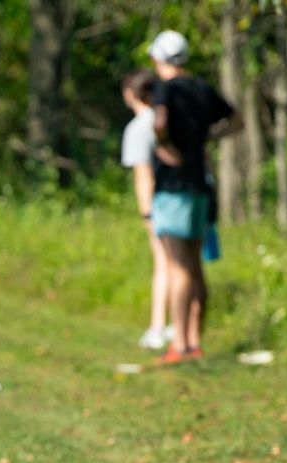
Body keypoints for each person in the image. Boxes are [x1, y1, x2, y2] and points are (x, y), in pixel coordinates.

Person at [147, 31, 241, 365]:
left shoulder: (166, 89)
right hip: (201, 184)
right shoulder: (202, 88)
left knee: (178, 265)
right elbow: (236, 119)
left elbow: (160, 121)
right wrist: (206, 139)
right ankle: (195, 340)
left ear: (158, 58)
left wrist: (164, 144)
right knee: (196, 264)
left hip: (174, 186)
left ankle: (181, 344)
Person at [120, 69, 172, 351]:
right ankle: (179, 323)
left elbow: (143, 176)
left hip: (159, 203)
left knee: (162, 264)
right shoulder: (168, 119)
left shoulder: (138, 128)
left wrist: (146, 213)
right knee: (181, 264)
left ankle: (157, 326)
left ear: (132, 95)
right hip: (182, 196)